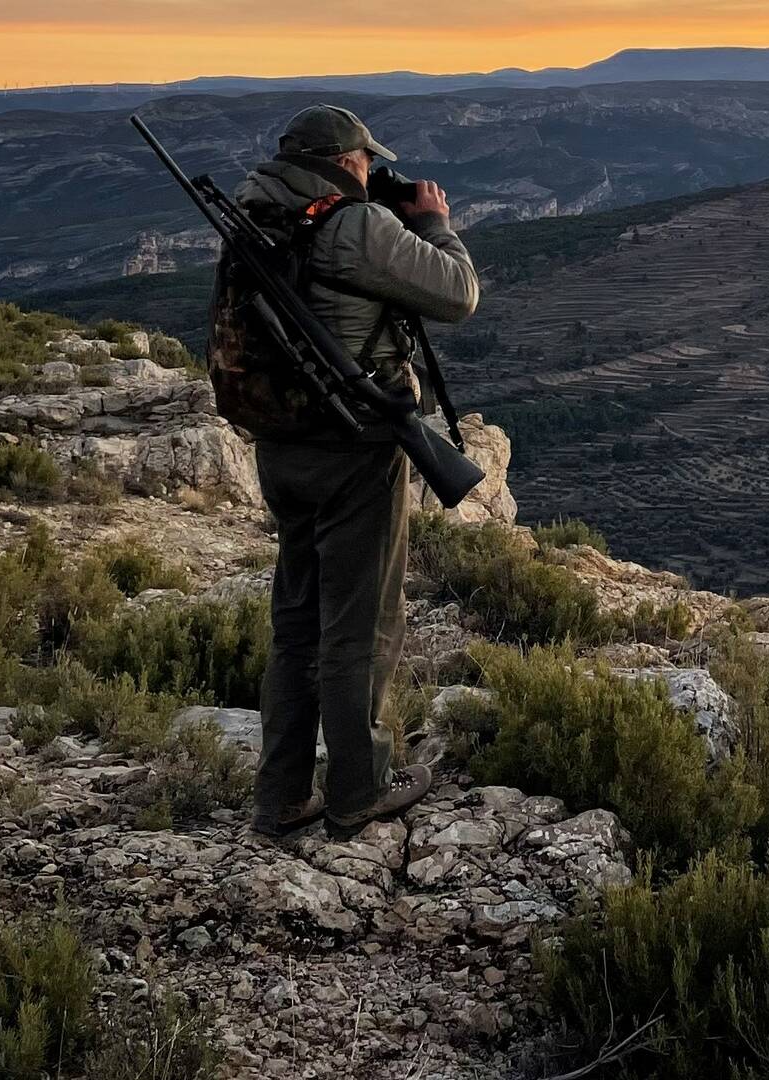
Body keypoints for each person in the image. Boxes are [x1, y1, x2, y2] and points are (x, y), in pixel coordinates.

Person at [209, 103, 479, 838]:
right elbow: (457, 294)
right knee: (360, 624)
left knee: (296, 623)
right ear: (343, 162)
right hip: (353, 448)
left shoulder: (256, 210)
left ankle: (282, 797)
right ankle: (360, 789)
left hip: (279, 445)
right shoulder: (352, 227)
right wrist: (431, 223)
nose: (372, 172)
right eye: (366, 162)